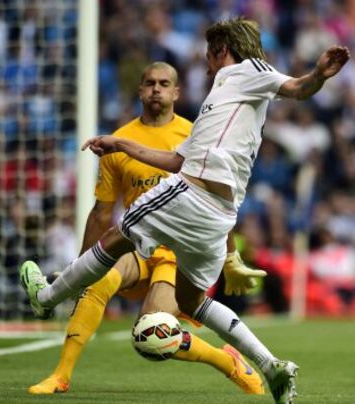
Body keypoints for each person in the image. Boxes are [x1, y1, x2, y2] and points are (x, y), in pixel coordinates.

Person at [21, 17, 350, 404]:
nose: (205, 62)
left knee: (115, 237)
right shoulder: (219, 100)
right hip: (218, 214)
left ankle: (46, 298)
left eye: (209, 54)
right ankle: (271, 363)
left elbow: (296, 88)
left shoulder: (249, 70)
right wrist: (121, 145)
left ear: (221, 50)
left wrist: (319, 75)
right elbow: (177, 159)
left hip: (191, 195)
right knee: (192, 301)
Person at [26, 61, 265, 395]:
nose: (156, 88)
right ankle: (61, 375)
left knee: (151, 334)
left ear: (176, 92)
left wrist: (229, 259)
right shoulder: (119, 141)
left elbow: (216, 201)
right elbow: (102, 210)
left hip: (176, 257)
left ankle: (226, 361)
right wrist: (80, 269)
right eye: (150, 82)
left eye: (164, 83)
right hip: (136, 244)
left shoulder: (196, 135)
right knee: (98, 281)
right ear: (140, 90)